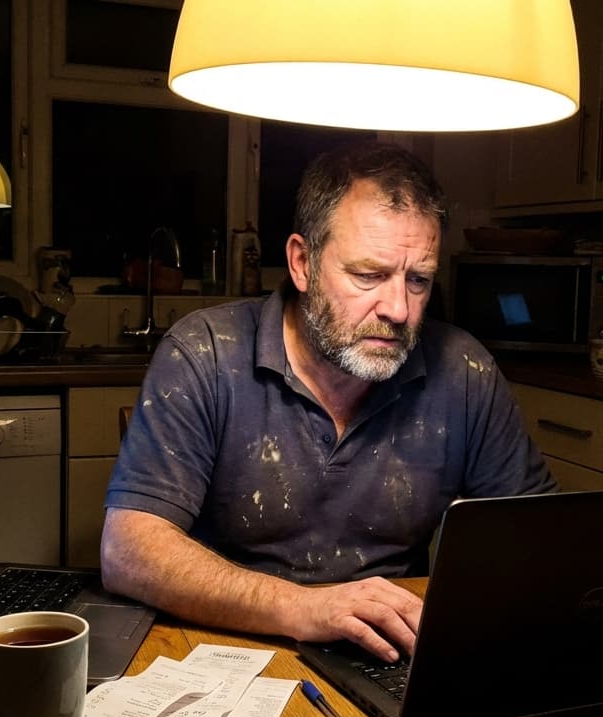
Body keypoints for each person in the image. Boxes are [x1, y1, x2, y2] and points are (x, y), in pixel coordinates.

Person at [100, 141, 555, 663]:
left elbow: (538, 541)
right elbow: (128, 551)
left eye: (419, 280)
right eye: (368, 276)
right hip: (225, 649)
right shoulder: (204, 353)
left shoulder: (464, 371)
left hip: (389, 654)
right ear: (302, 263)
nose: (399, 309)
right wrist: (305, 608)